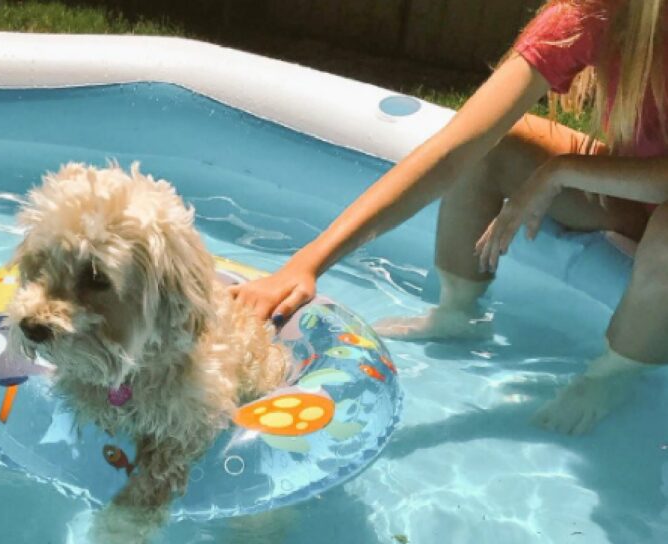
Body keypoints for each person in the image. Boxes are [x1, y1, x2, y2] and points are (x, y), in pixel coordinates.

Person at [231, 0, 668, 435]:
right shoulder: (592, 14)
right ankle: (459, 314)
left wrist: (562, 171)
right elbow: (452, 150)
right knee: (494, 148)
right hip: (636, 190)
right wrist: (307, 262)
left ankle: (613, 375)